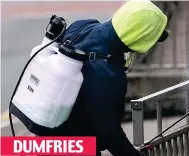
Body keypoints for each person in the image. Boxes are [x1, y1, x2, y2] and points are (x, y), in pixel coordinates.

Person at [37, 0, 169, 155]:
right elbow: (109, 132)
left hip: (44, 139)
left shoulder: (84, 25)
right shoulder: (109, 74)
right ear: (140, 37)